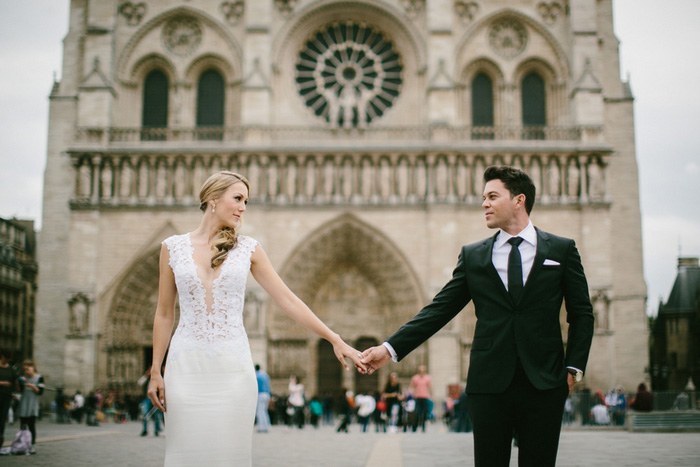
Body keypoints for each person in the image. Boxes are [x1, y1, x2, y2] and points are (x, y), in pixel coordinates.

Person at [361, 165, 594, 467]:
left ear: (518, 200)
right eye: (484, 197)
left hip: (545, 382)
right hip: (489, 384)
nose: (484, 203)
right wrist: (389, 348)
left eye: (492, 196)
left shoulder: (561, 250)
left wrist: (574, 368)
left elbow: (582, 312)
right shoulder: (474, 256)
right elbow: (439, 309)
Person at [147, 171, 365, 466]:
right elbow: (163, 313)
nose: (243, 207)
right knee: (185, 453)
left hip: (233, 367)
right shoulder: (171, 248)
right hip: (185, 366)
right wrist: (156, 370)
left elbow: (288, 300)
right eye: (237, 198)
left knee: (230, 456)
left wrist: (334, 338)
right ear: (212, 199)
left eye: (246, 201)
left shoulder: (248, 249)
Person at [17, 360, 45, 454]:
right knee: (22, 426)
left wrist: (31, 386)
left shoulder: (39, 378)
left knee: (31, 425)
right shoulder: (23, 378)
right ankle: (22, 445)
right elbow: (19, 390)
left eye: (28, 369)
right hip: (24, 402)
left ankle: (32, 445)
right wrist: (18, 383)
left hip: (32, 403)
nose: (26, 372)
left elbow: (40, 392)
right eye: (24, 370)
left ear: (33, 367)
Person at [0, 349, 18, 448]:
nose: (7, 360)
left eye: (9, 359)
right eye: (6, 358)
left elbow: (15, 380)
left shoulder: (11, 369)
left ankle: (0, 440)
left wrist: (18, 384)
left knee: (2, 419)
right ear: (2, 356)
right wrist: (2, 383)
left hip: (6, 396)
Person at [409, 365, 432, 432]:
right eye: (420, 371)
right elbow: (412, 387)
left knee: (424, 413)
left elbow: (430, 387)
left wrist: (431, 395)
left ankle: (423, 427)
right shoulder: (415, 378)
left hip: (425, 397)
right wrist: (410, 393)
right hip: (417, 397)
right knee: (417, 413)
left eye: (423, 371)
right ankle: (414, 427)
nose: (422, 372)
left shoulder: (427, 378)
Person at [255, 364, 271, 433]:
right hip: (266, 394)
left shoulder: (256, 376)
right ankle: (266, 426)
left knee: (260, 411)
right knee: (264, 411)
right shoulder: (265, 375)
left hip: (260, 394)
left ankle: (261, 427)